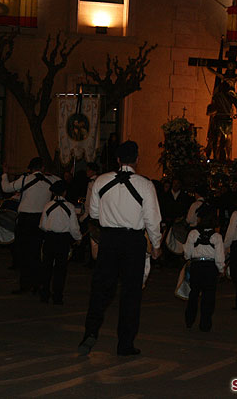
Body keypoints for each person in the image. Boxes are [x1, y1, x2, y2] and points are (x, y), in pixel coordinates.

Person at [78, 141, 162, 356]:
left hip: (109, 240)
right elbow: (152, 220)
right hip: (133, 241)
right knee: (131, 294)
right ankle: (125, 344)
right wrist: (156, 246)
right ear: (137, 160)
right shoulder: (145, 185)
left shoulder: (101, 181)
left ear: (117, 160)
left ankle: (90, 333)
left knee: (100, 290)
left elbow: (94, 214)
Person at [2, 157, 60, 294]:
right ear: (43, 168)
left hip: (25, 220)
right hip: (41, 220)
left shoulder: (25, 179)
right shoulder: (51, 180)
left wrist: (5, 173)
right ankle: (38, 284)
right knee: (37, 253)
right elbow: (61, 181)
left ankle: (25, 285)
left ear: (30, 168)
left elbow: (5, 188)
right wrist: (49, 175)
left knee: (24, 253)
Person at [39, 180, 82, 304]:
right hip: (63, 240)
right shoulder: (70, 207)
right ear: (65, 192)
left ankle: (44, 294)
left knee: (46, 267)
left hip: (49, 238)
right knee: (61, 269)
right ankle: (57, 296)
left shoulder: (47, 205)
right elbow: (74, 227)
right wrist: (78, 238)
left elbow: (42, 225)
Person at [183, 204, 224, 331]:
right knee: (209, 296)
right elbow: (219, 257)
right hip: (210, 267)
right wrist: (221, 269)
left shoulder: (193, 234)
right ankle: (205, 323)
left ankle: (189, 319)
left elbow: (187, 253)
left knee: (193, 293)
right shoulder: (217, 237)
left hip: (196, 266)